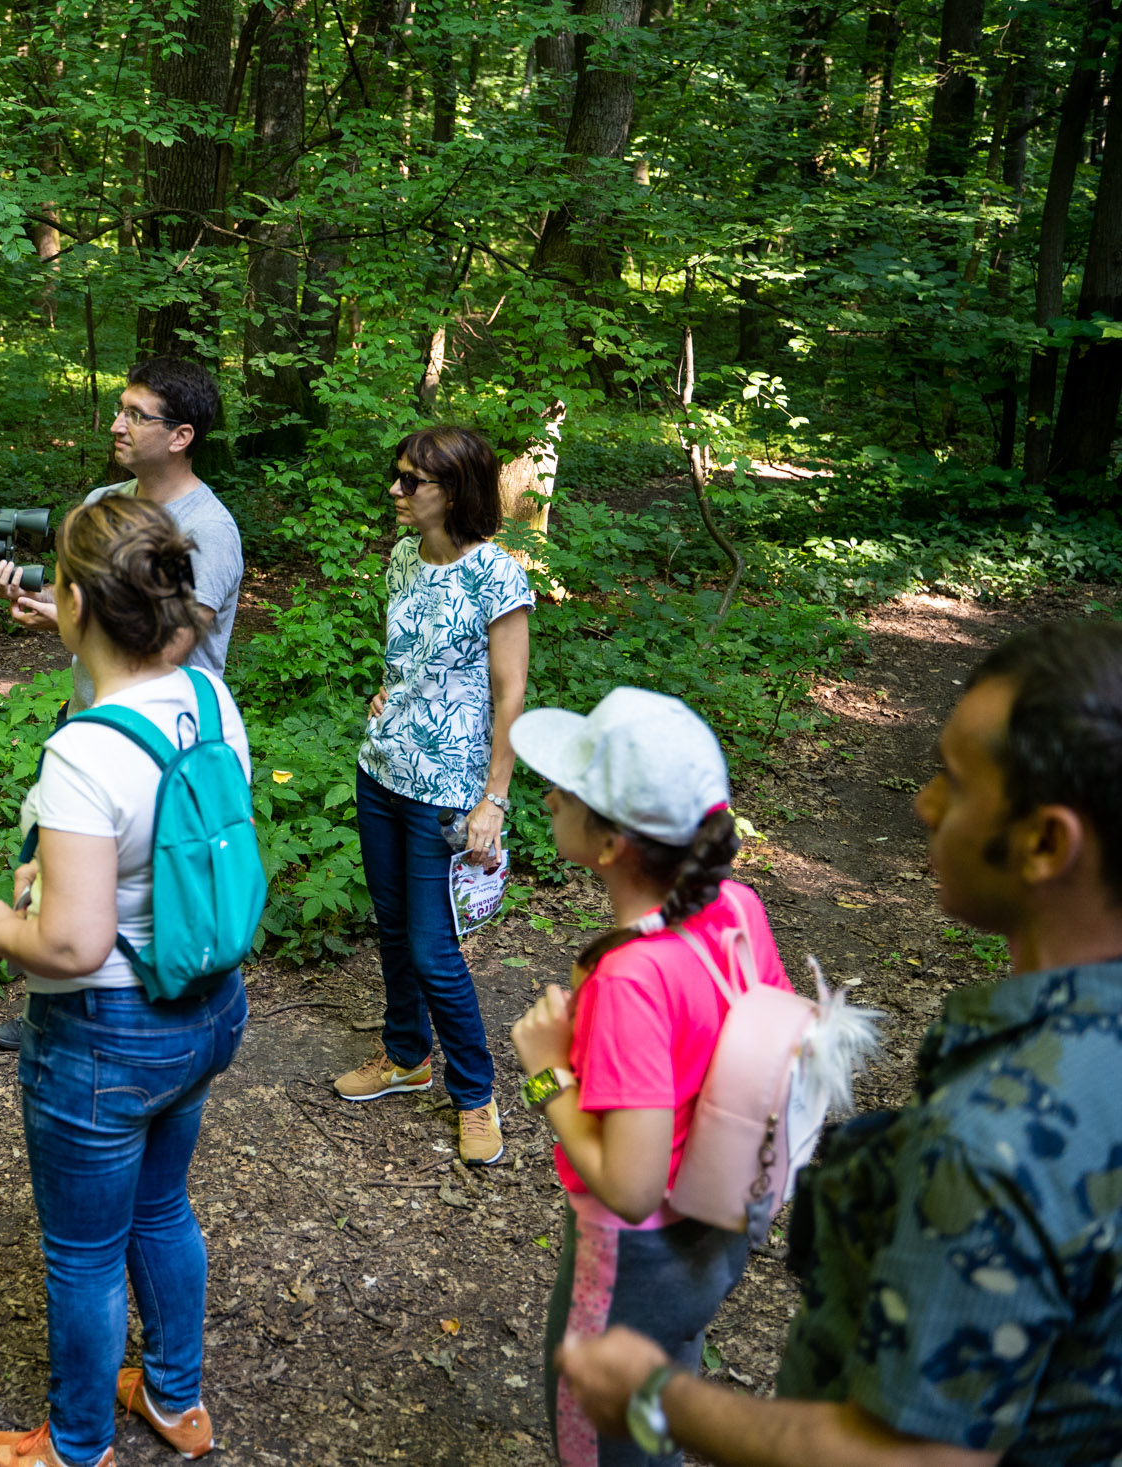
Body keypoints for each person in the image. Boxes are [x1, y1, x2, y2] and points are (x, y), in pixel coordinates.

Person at [555, 619, 1122, 1467]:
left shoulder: (992, 1137)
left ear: (1045, 841)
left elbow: (918, 1455)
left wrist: (656, 1396)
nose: (924, 804)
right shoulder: (737, 910)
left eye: (953, 782)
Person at [0, 496, 250, 1467]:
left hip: (106, 1036)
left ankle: (77, 1444)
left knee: (83, 1256)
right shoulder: (212, 701)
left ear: (78, 598)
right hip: (206, 1008)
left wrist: (1, 925)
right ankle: (174, 1398)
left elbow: (73, 945)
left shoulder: (82, 753)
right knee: (163, 1208)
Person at [503, 688, 790, 1467]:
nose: (552, 791)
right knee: (665, 1386)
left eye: (571, 788)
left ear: (611, 846)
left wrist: (547, 1073)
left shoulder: (632, 980)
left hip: (636, 1258)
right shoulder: (736, 906)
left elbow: (629, 1187)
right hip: (719, 1223)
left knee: (603, 1438)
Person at [0, 357, 244, 1053]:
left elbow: (175, 638)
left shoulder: (209, 530)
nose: (117, 423)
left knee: (150, 885)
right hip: (91, 719)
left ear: (182, 435)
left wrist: (78, 619)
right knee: (53, 868)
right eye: (119, 407)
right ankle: (52, 998)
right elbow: (106, 618)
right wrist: (48, 608)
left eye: (136, 414)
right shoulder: (104, 501)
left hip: (166, 741)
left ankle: (150, 1011)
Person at [333, 425, 532, 1168]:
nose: (396, 491)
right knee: (391, 925)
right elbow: (412, 658)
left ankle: (475, 1092)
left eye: (411, 480)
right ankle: (406, 1055)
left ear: (453, 491)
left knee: (432, 946)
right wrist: (395, 689)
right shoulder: (402, 559)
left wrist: (495, 799)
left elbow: (510, 696)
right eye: (398, 476)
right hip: (381, 767)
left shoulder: (497, 575)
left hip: (447, 788)